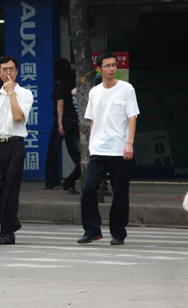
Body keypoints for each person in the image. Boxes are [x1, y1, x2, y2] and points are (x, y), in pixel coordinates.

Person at [77, 51, 139, 246]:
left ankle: (118, 233)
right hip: (99, 150)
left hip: (120, 150)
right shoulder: (95, 92)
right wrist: (92, 145)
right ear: (99, 68)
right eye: (108, 66)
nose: (112, 69)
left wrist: (129, 143)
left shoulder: (127, 89)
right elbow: (93, 120)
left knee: (120, 193)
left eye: (114, 65)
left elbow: (132, 117)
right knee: (88, 189)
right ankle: (92, 230)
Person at [0, 55, 34, 245]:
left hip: (15, 144)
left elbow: (19, 117)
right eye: (4, 70)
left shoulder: (25, 94)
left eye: (11, 69)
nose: (8, 73)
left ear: (17, 71)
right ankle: (11, 222)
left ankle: (7, 233)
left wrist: (12, 93)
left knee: (10, 190)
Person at [44, 58, 81, 194]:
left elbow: (60, 103)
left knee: (53, 151)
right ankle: (70, 181)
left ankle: (52, 182)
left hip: (63, 121)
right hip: (73, 121)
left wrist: (59, 123)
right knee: (76, 153)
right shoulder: (73, 80)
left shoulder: (60, 83)